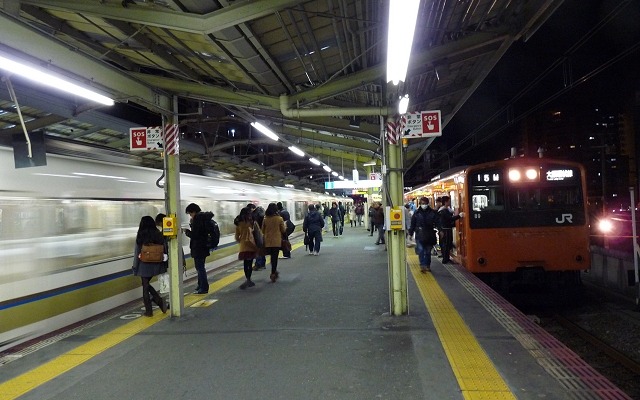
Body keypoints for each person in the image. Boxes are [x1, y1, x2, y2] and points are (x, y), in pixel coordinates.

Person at [132, 216, 168, 316]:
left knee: (145, 286)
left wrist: (135, 266)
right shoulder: (158, 234)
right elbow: (164, 248)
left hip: (144, 264)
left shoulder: (140, 235)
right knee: (146, 285)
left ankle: (150, 310)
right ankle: (159, 302)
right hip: (157, 263)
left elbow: (137, 251)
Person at [183, 203, 213, 294]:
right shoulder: (203, 218)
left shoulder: (198, 219)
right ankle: (200, 285)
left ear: (194, 211)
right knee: (200, 267)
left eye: (190, 213)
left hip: (198, 247)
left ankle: (203, 287)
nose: (190, 215)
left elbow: (195, 235)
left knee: (200, 268)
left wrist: (187, 231)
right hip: (204, 247)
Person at [408, 197, 438, 273]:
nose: (423, 205)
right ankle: (422, 265)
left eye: (425, 203)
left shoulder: (433, 212)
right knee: (421, 250)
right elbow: (413, 224)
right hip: (419, 234)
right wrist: (410, 234)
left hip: (429, 234)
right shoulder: (416, 213)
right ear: (420, 204)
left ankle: (428, 265)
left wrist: (440, 230)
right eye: (422, 203)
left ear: (428, 204)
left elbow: (438, 222)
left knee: (428, 251)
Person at [261, 203, 286, 282]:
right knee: (274, 257)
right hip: (276, 241)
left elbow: (262, 230)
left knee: (272, 257)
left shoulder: (265, 219)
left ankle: (274, 271)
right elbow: (283, 230)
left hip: (267, 241)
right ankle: (273, 273)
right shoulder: (279, 219)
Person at [235, 207, 258, 289]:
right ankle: (249, 279)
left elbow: (236, 237)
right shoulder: (251, 222)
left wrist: (241, 241)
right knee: (250, 263)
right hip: (251, 245)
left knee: (245, 264)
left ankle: (247, 279)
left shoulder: (239, 223)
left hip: (243, 246)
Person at [438, 196, 464, 263]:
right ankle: (445, 259)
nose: (450, 202)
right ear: (446, 202)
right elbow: (450, 218)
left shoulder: (446, 209)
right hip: (445, 230)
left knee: (448, 244)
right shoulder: (443, 210)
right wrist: (459, 216)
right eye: (449, 201)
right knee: (446, 244)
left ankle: (447, 258)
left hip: (447, 229)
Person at [252, 205, 267, 270]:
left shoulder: (255, 217)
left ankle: (258, 264)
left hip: (257, 235)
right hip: (263, 235)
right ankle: (262, 264)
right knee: (262, 250)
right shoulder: (263, 216)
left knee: (258, 250)